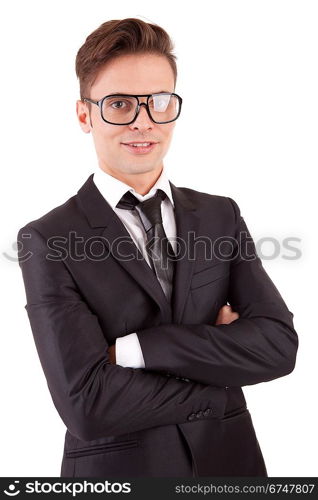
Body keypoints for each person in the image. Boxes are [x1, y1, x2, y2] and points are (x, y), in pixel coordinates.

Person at [17, 18, 298, 478]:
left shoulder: (220, 215)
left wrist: (133, 351)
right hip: (120, 476)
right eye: (120, 104)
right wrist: (222, 373)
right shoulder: (47, 238)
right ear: (85, 115)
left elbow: (279, 347)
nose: (143, 122)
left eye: (159, 102)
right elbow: (88, 404)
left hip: (231, 469)